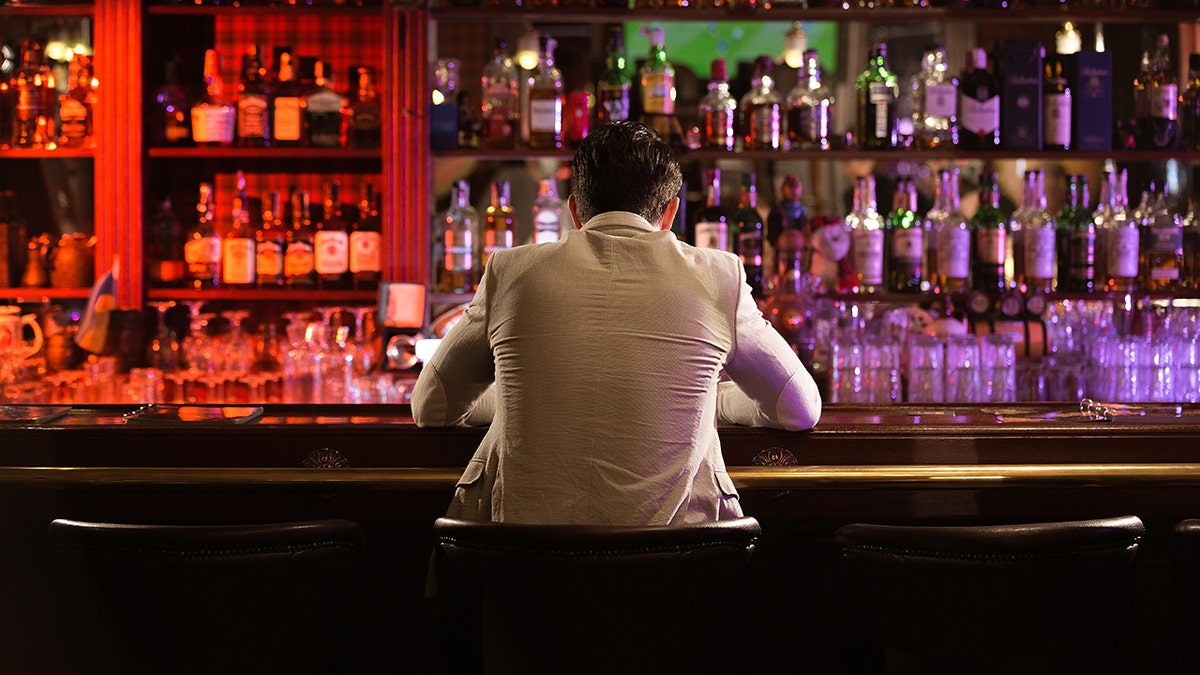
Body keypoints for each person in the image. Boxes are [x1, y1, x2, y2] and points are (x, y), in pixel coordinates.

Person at [411, 121, 821, 526]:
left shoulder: (510, 271)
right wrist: (715, 401)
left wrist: (518, 402)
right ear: (671, 212)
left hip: (528, 576)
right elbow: (799, 408)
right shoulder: (718, 277)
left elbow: (432, 405)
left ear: (574, 209)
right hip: (680, 573)